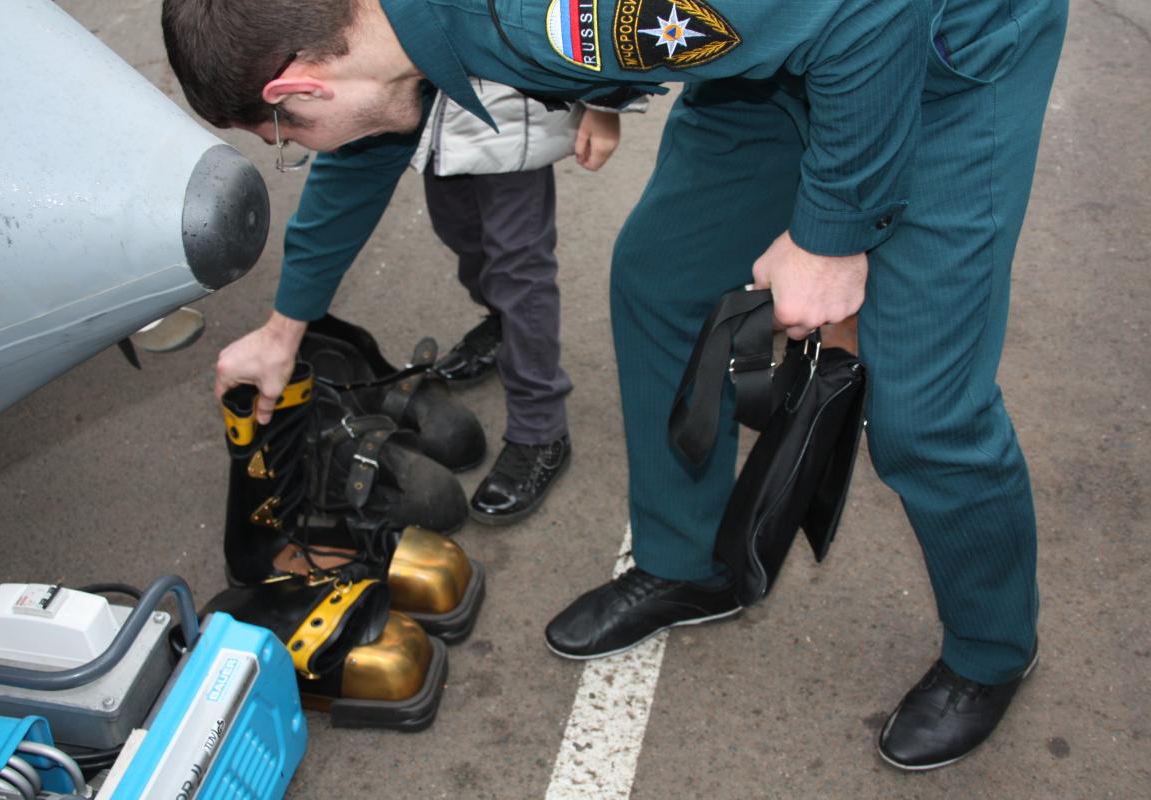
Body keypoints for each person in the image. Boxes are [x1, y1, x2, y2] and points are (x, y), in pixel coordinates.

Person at [162, 0, 1069, 770]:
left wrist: (831, 236)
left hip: (936, 48)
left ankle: (992, 651)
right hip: (783, 42)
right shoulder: (399, 24)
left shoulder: (564, 13)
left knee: (924, 412)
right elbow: (364, 143)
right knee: (660, 281)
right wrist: (288, 324)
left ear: (297, 89)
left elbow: (868, 13)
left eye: (290, 139)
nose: (306, 149)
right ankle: (692, 566)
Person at [410, 79, 640, 525]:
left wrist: (606, 97)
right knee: (458, 228)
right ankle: (502, 326)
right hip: (438, 100)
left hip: (516, 102)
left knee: (518, 268)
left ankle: (541, 430)